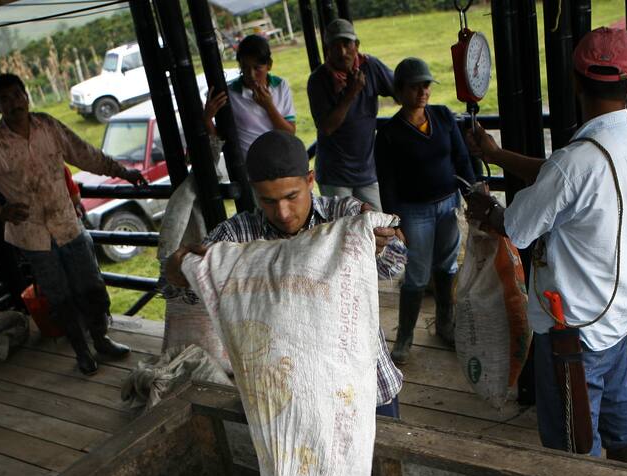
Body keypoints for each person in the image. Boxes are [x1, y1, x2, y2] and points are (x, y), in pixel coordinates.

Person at [466, 28, 627, 461]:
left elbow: (515, 226)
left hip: (573, 328)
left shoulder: (575, 163)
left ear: (574, 82)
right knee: (618, 418)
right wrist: (497, 156)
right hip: (618, 312)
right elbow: (564, 177)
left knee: (572, 444)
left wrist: (483, 207)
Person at [165, 130, 408, 417]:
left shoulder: (346, 216)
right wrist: (177, 271)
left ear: (309, 180)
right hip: (294, 393)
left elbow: (394, 265)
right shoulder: (237, 235)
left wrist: (380, 243)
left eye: (291, 196)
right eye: (268, 201)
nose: (282, 212)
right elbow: (180, 291)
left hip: (366, 381)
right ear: (255, 192)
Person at [0, 73, 149, 376]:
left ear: (26, 96)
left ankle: (101, 339)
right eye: (4, 99)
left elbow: (84, 153)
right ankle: (82, 352)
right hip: (33, 236)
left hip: (67, 224)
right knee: (60, 298)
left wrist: (122, 172)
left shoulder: (47, 126)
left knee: (92, 288)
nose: (13, 103)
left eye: (16, 95)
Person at [374, 57, 476, 363]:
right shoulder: (390, 134)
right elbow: (387, 182)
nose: (423, 92)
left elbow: (461, 158)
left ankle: (445, 322)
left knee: (447, 266)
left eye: (426, 85)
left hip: (448, 205)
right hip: (414, 212)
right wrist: (395, 221)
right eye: (415, 86)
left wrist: (474, 193)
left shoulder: (443, 116)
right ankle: (404, 337)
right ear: (400, 91)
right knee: (416, 274)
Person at [307, 18, 395, 210]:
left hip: (366, 171)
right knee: (344, 231)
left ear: (357, 45)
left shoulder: (370, 66)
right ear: (327, 50)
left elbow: (400, 90)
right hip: (335, 175)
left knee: (379, 227)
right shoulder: (318, 80)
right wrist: (351, 93)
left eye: (347, 44)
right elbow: (327, 127)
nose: (342, 52)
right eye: (335, 46)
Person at [203, 34, 296, 158]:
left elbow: (290, 132)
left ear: (269, 65)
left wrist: (269, 106)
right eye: (245, 68)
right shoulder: (230, 94)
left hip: (282, 160)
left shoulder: (280, 86)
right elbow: (221, 141)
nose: (251, 75)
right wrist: (207, 119)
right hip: (251, 169)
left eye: (257, 68)